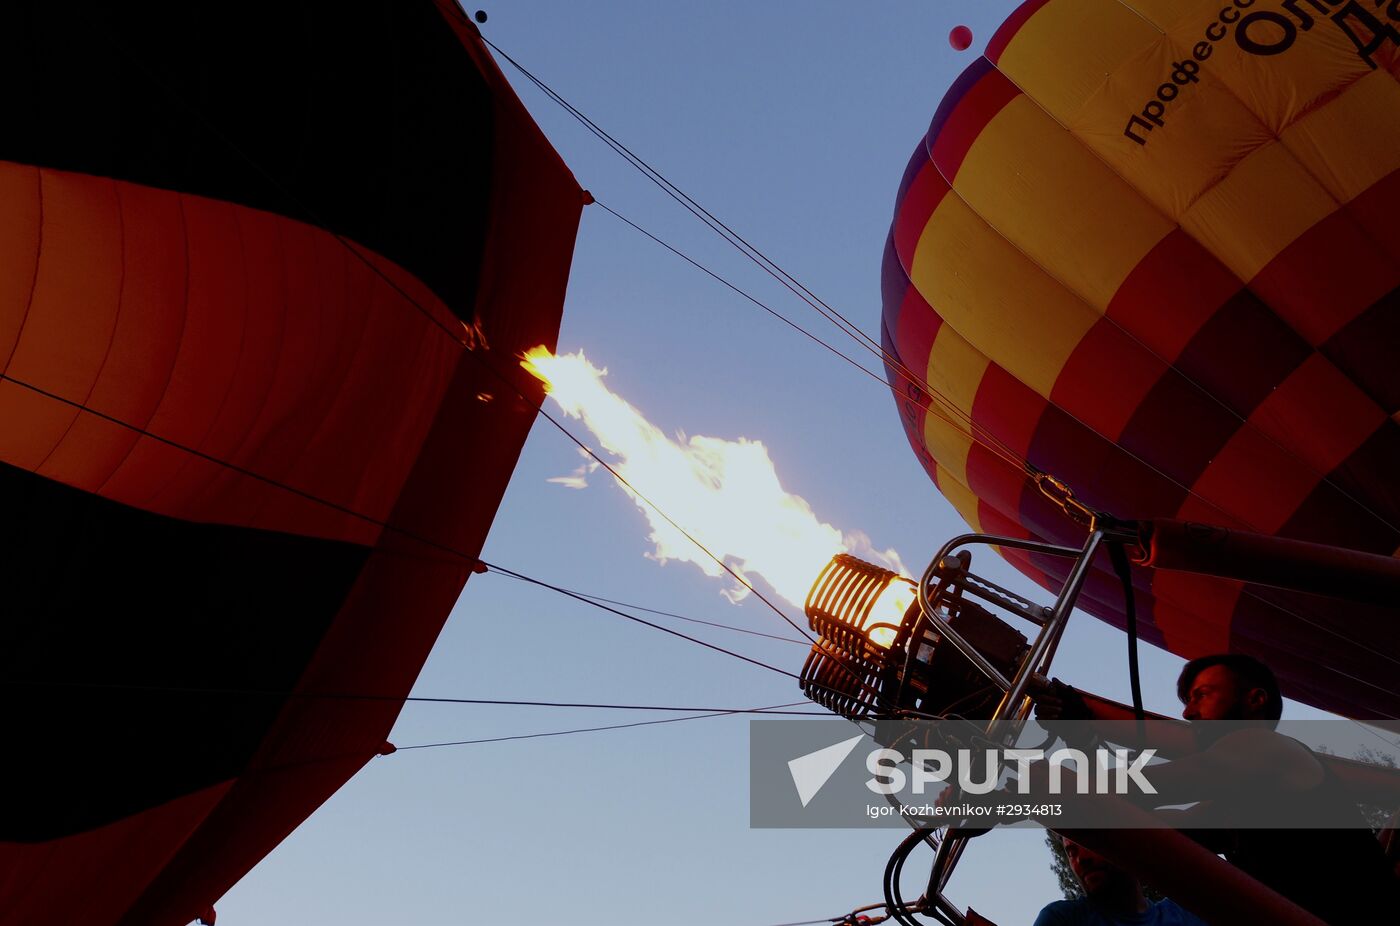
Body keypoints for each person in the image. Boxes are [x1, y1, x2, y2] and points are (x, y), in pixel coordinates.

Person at [1037, 654, 1397, 922]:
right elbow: (1160, 827)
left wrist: (1032, 784)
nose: (1188, 713)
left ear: (1255, 700)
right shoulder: (1239, 804)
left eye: (1201, 696)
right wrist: (1083, 741)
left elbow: (1152, 787)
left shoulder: (1266, 747)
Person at [1033, 834, 1206, 926]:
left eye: (1088, 843)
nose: (1081, 859)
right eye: (1072, 852)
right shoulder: (1064, 919)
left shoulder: (1188, 914)